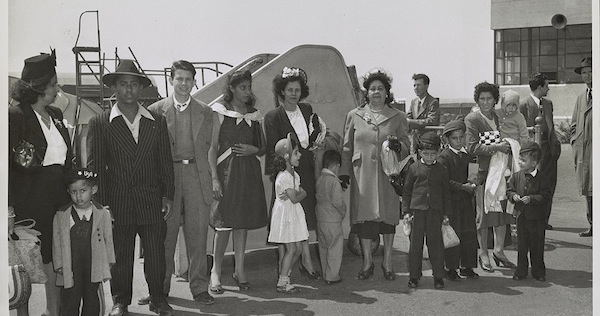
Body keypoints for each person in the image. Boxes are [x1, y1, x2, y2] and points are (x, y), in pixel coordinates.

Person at [87, 60, 175, 316]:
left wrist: (167, 195)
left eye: (134, 84)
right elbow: (95, 167)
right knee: (121, 256)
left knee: (156, 254)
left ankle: (159, 299)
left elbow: (165, 162)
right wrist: (102, 204)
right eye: (123, 84)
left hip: (151, 198)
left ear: (141, 89)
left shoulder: (156, 121)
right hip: (118, 201)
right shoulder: (101, 122)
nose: (128, 89)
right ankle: (120, 301)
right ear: (114, 88)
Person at [144, 60, 219, 307]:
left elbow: (210, 150)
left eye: (189, 79)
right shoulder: (155, 111)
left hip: (197, 178)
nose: (184, 83)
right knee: (165, 237)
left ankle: (199, 288)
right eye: (180, 78)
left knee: (198, 236)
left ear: (194, 81)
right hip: (168, 180)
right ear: (171, 80)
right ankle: (160, 290)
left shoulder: (206, 112)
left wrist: (213, 180)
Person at [9, 50, 73, 316]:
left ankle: (52, 311)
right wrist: (9, 210)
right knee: (25, 261)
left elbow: (67, 160)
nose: (57, 90)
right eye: (53, 85)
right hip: (29, 197)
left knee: (55, 258)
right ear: (37, 87)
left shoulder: (57, 114)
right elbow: (8, 168)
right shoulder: (16, 116)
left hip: (58, 196)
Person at [340, 68, 410, 281]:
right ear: (366, 93)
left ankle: (387, 263)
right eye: (373, 89)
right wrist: (344, 172)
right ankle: (368, 262)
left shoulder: (398, 117)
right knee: (365, 220)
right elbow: (346, 147)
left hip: (388, 174)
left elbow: (407, 145)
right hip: (363, 176)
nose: (377, 92)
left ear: (387, 93)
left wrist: (400, 146)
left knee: (388, 220)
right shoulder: (355, 115)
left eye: (381, 88)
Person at [209, 70, 268, 293]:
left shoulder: (254, 115)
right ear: (232, 88)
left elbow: (262, 147)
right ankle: (215, 272)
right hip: (227, 173)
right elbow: (212, 149)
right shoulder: (220, 112)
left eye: (248, 87)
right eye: (242, 87)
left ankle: (240, 269)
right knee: (223, 225)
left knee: (241, 222)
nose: (247, 91)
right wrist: (215, 178)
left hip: (248, 173)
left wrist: (254, 149)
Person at [264, 67, 321, 279]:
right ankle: (284, 268)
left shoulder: (307, 109)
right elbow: (273, 150)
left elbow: (313, 137)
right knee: (287, 220)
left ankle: (305, 261)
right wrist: (286, 173)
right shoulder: (272, 117)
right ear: (282, 91)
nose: (294, 94)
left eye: (297, 89)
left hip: (306, 169)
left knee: (303, 217)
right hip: (287, 173)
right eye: (290, 90)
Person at [464, 82, 516, 273]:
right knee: (483, 213)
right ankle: (483, 253)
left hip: (500, 169)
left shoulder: (498, 116)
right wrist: (497, 147)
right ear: (477, 100)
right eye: (482, 99)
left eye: (489, 98)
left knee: (500, 211)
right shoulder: (472, 119)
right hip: (479, 171)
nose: (486, 102)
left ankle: (499, 251)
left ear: (495, 100)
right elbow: (471, 147)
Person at [52, 168, 115, 316]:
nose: (78, 196)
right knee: (69, 298)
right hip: (70, 265)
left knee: (92, 298)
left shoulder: (102, 214)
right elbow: (56, 241)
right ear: (68, 192)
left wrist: (109, 260)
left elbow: (108, 239)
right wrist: (59, 263)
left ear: (93, 189)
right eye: (74, 192)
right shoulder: (61, 215)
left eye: (83, 190)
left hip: (93, 263)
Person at [402, 131, 451, 289]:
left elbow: (446, 193)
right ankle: (414, 276)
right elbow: (407, 191)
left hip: (435, 211)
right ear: (419, 152)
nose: (429, 157)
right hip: (417, 212)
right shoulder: (413, 168)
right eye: (426, 154)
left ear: (438, 152)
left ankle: (438, 276)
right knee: (415, 246)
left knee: (436, 245)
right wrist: (406, 212)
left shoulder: (442, 169)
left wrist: (445, 214)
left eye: (433, 154)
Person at [268, 134, 310, 293]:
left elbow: (295, 195)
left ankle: (285, 274)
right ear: (286, 157)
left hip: (293, 214)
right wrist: (302, 194)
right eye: (296, 153)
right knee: (291, 249)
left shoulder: (295, 175)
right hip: (286, 215)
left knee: (298, 248)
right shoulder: (283, 177)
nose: (299, 155)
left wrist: (299, 194)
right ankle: (282, 281)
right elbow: (294, 198)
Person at [437, 120, 479, 281]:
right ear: (447, 140)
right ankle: (451, 268)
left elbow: (473, 174)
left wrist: (475, 181)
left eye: (462, 137)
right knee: (453, 234)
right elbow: (444, 181)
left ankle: (467, 266)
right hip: (451, 202)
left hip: (466, 201)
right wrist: (463, 187)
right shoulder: (444, 157)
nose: (459, 141)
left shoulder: (468, 155)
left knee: (468, 233)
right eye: (455, 138)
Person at [519, 73, 561, 230]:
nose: (548, 88)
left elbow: (551, 127)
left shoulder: (548, 104)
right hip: (533, 154)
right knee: (532, 186)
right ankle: (532, 218)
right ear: (539, 87)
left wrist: (556, 147)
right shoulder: (524, 105)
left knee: (548, 186)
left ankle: (544, 219)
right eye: (546, 85)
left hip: (550, 152)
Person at [507, 140, 552, 282]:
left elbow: (546, 196)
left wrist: (532, 199)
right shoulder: (516, 176)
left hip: (537, 219)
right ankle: (521, 271)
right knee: (522, 245)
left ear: (534, 163)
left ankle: (538, 272)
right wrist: (513, 196)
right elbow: (509, 190)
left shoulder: (542, 178)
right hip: (521, 217)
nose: (520, 162)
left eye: (523, 160)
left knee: (537, 246)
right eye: (519, 159)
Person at [315, 150, 346, 285]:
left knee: (323, 247)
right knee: (335, 247)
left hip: (320, 219)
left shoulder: (320, 179)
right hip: (333, 219)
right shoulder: (334, 182)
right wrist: (343, 212)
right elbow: (337, 202)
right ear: (337, 166)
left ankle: (325, 272)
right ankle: (332, 276)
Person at [570, 57, 593, 237]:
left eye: (590, 71)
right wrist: (574, 141)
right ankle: (592, 224)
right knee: (588, 190)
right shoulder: (580, 97)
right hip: (583, 152)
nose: (587, 75)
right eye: (584, 72)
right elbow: (573, 124)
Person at [406, 73, 440, 153]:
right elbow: (408, 117)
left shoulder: (433, 102)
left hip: (428, 142)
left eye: (418, 85)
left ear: (426, 86)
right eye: (414, 85)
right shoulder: (413, 102)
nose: (416, 88)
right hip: (415, 141)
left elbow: (432, 120)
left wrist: (411, 122)